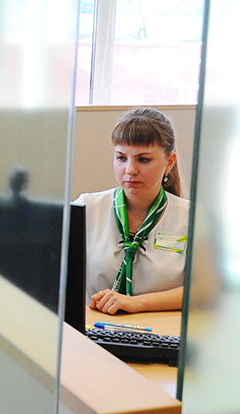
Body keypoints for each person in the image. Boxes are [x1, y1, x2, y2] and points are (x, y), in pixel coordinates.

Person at [78, 107, 189, 315]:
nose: (130, 170)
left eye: (143, 159)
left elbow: (204, 292)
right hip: (95, 328)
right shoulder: (86, 208)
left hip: (160, 330)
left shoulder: (190, 218)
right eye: (121, 158)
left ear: (169, 162)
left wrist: (137, 303)